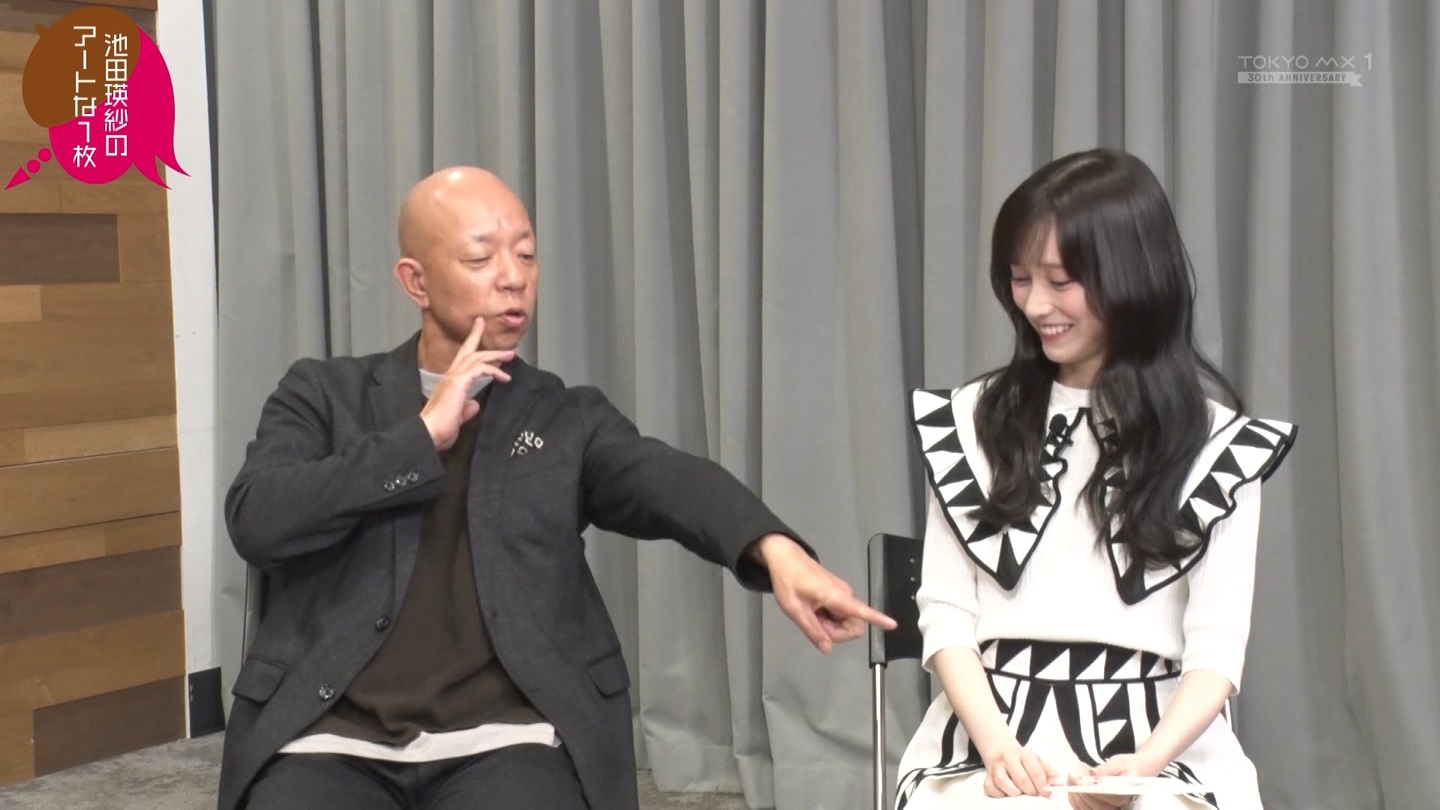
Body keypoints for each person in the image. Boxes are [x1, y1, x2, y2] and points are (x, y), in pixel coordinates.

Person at [218, 166, 895, 810]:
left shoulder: (561, 416)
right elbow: (259, 518)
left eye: (527, 255)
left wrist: (774, 549)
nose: (513, 278)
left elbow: (663, 478)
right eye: (480, 258)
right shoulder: (324, 394)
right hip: (333, 735)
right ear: (415, 281)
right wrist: (420, 438)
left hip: (505, 738)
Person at [894, 149, 1295, 810]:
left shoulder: (1220, 445)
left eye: (1061, 281)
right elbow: (945, 614)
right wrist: (998, 749)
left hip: (1161, 746)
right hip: (987, 739)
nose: (1036, 305)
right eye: (1020, 278)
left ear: (1135, 277)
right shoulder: (968, 421)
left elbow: (1217, 650)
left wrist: (1142, 767)